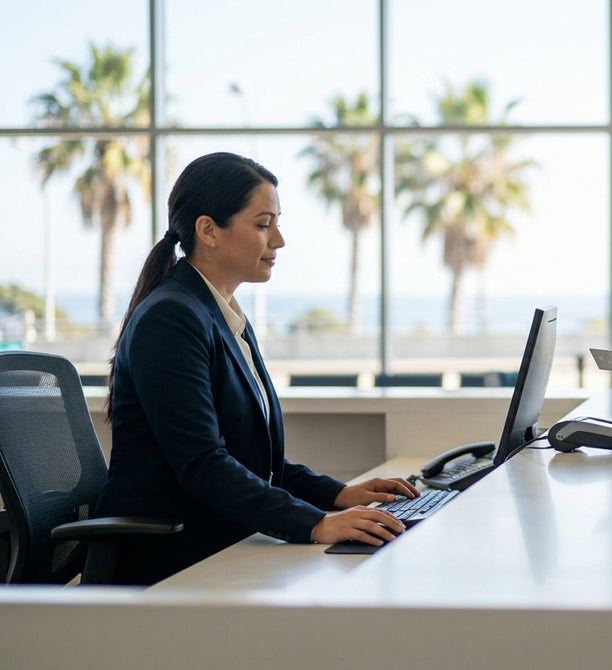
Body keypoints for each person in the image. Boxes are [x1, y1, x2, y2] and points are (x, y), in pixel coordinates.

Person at [95, 152, 419, 586]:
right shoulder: (170, 319)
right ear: (208, 230)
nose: (279, 240)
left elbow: (253, 459)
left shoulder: (219, 313)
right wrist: (315, 524)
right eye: (264, 224)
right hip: (168, 563)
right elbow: (203, 464)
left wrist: (337, 495)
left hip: (217, 544)